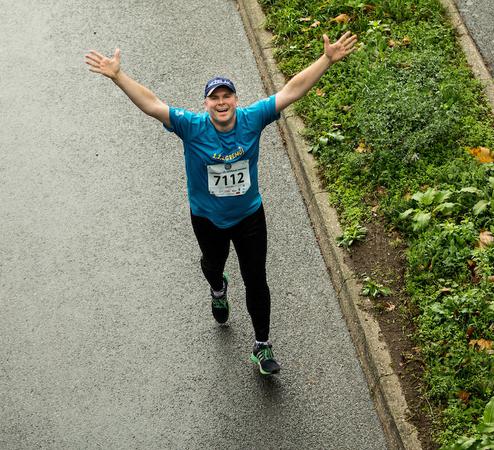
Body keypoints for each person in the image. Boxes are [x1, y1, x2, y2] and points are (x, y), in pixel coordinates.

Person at [85, 31, 357, 376]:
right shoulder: (191, 127)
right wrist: (119, 76)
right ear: (206, 104)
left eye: (227, 96)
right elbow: (151, 104)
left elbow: (291, 90)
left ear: (236, 100)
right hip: (207, 219)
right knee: (213, 265)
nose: (222, 102)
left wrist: (327, 60)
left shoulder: (252, 118)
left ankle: (262, 345)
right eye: (215, 98)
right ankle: (218, 287)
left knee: (256, 278)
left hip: (249, 217)